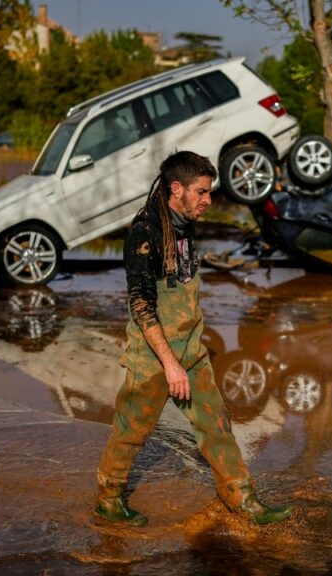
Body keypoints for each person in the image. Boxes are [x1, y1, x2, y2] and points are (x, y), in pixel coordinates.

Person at [95, 150, 291, 526]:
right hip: (153, 356)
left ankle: (241, 496)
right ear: (176, 189)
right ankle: (108, 498)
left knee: (216, 424)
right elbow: (141, 306)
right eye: (201, 191)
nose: (208, 200)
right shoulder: (145, 233)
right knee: (131, 430)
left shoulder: (184, 224)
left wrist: (189, 355)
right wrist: (170, 365)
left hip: (191, 350)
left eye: (209, 191)